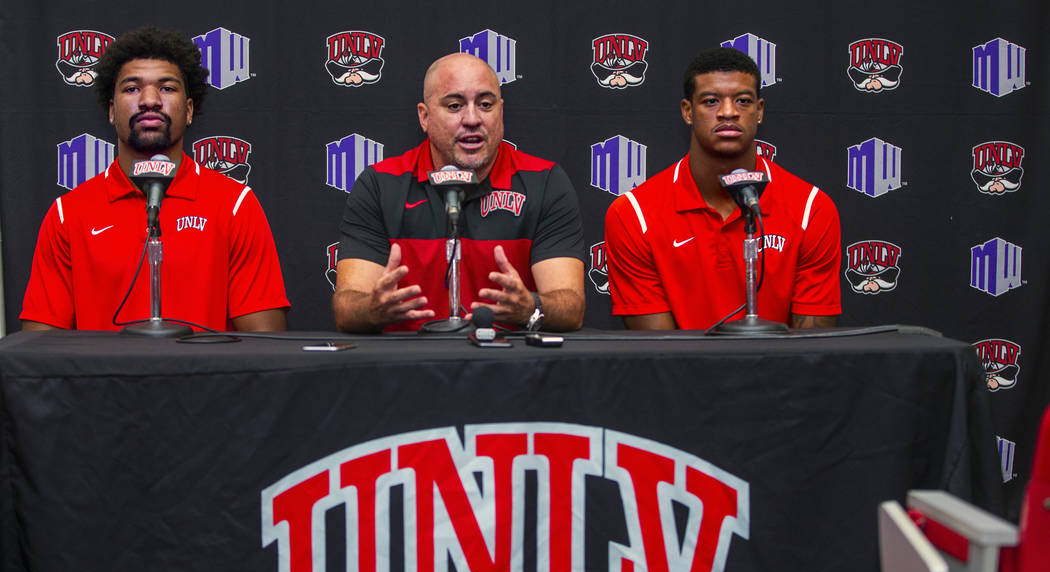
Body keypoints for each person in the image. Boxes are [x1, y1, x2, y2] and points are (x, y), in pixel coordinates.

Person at [21, 26, 288, 332]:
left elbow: (266, 343)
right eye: (132, 88)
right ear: (111, 110)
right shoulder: (68, 214)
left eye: (167, 88)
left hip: (204, 380)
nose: (149, 100)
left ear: (189, 111)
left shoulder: (235, 205)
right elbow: (39, 350)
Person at [332, 52, 585, 333]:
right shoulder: (380, 184)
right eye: (455, 106)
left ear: (501, 112)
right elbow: (347, 308)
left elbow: (570, 306)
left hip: (509, 363)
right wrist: (371, 310)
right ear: (424, 117)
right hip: (408, 365)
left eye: (485, 104)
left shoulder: (544, 182)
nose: (473, 118)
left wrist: (530, 307)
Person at [604, 48, 841, 330]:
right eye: (711, 101)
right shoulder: (634, 214)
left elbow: (813, 347)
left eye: (742, 101)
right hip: (683, 373)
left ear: (759, 111)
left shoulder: (810, 208)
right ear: (687, 111)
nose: (728, 112)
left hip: (782, 373)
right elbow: (661, 352)